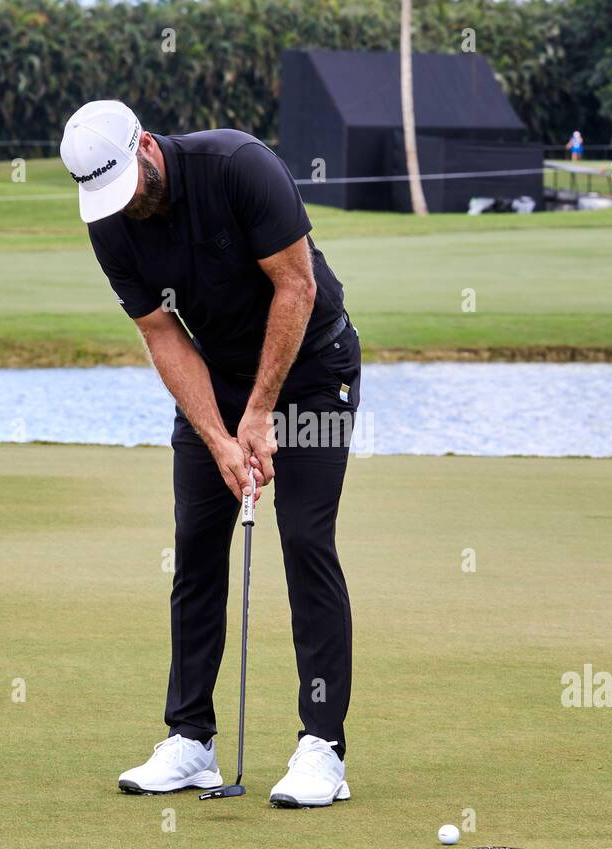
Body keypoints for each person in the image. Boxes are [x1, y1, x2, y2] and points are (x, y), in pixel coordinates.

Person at [59, 100, 359, 808]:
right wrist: (222, 436)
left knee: (306, 539)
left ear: (147, 149)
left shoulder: (238, 167)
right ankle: (191, 739)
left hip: (315, 370)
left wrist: (260, 413)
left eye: (129, 186)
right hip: (217, 382)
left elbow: (298, 285)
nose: (125, 206)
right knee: (195, 545)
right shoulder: (110, 224)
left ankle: (323, 750)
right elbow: (162, 334)